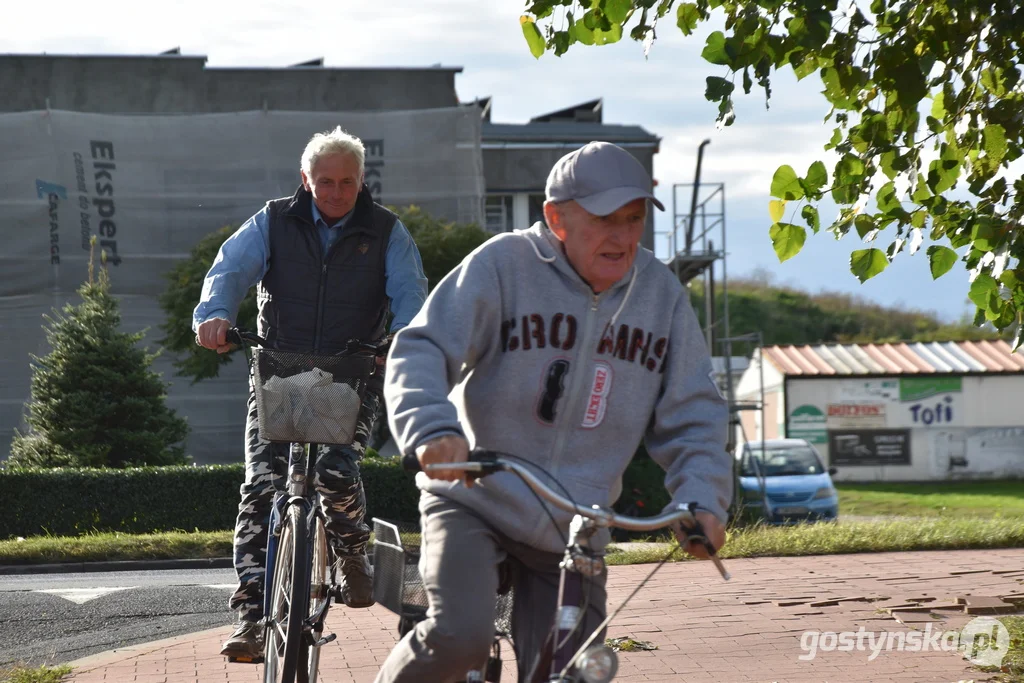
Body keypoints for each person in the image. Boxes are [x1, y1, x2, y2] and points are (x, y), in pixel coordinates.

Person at [378, 141, 732, 682]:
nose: (623, 237)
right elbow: (422, 347)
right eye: (604, 220)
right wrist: (431, 429)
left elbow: (695, 410)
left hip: (575, 522)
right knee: (461, 635)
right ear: (556, 218)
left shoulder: (661, 296)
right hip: (476, 495)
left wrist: (702, 497)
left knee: (573, 669)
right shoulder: (503, 264)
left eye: (634, 220)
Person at [193, 126, 428, 660]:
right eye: (326, 182)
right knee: (261, 487)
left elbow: (411, 293)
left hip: (352, 373)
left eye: (348, 182)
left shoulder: (388, 232)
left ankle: (352, 552)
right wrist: (213, 315)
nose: (338, 193)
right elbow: (230, 268)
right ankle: (252, 619)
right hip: (279, 371)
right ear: (306, 179)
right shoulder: (274, 221)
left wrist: (404, 340)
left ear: (361, 180)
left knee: (335, 472)